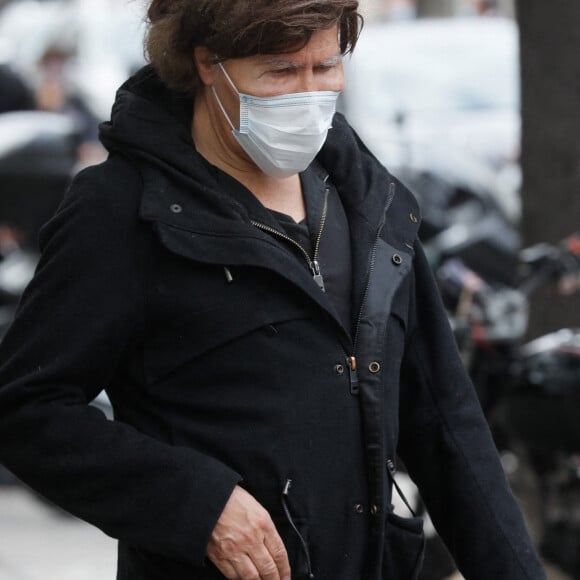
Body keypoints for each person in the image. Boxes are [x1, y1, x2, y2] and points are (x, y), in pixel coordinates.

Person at [0, 1, 546, 579]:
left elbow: (445, 422)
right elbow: (25, 408)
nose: (308, 94)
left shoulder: (368, 201)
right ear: (208, 63)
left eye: (326, 68)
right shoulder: (122, 212)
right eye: (280, 71)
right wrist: (199, 504)